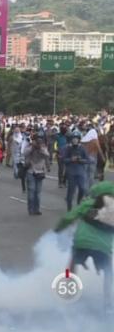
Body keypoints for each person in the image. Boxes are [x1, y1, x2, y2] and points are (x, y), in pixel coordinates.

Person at [55, 181, 114, 314]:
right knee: (109, 273)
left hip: (81, 243)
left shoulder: (89, 203)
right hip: (103, 248)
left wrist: (58, 229)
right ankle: (108, 303)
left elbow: (69, 217)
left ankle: (68, 292)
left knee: (71, 266)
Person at [24, 133, 49, 216]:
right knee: (31, 191)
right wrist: (32, 147)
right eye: (36, 140)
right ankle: (30, 209)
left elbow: (47, 155)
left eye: (40, 140)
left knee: (38, 193)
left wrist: (40, 148)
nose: (38, 142)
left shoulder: (43, 147)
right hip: (31, 171)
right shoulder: (29, 146)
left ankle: (37, 209)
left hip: (40, 172)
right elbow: (24, 153)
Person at [63, 130, 89, 211]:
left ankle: (79, 201)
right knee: (71, 191)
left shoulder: (82, 148)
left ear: (79, 139)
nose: (75, 140)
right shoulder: (68, 148)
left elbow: (87, 160)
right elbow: (64, 159)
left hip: (80, 172)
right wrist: (71, 159)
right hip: (71, 173)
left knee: (82, 188)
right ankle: (69, 208)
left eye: (76, 138)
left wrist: (80, 160)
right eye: (73, 138)